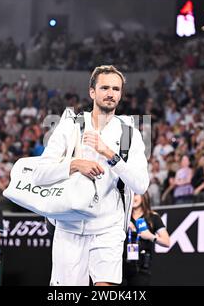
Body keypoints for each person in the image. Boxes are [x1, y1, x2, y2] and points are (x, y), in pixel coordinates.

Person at [32, 65, 149, 286]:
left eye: (116, 88)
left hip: (109, 226)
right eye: (104, 87)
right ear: (92, 92)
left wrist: (110, 154)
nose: (110, 93)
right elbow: (39, 174)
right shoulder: (70, 126)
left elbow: (141, 184)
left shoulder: (129, 134)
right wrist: (75, 164)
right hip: (69, 226)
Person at [123, 193, 170, 286]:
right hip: (120, 266)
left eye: (136, 194)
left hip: (141, 269)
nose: (133, 198)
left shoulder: (153, 217)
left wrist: (150, 236)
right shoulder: (123, 216)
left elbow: (167, 242)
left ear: (143, 195)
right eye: (131, 195)